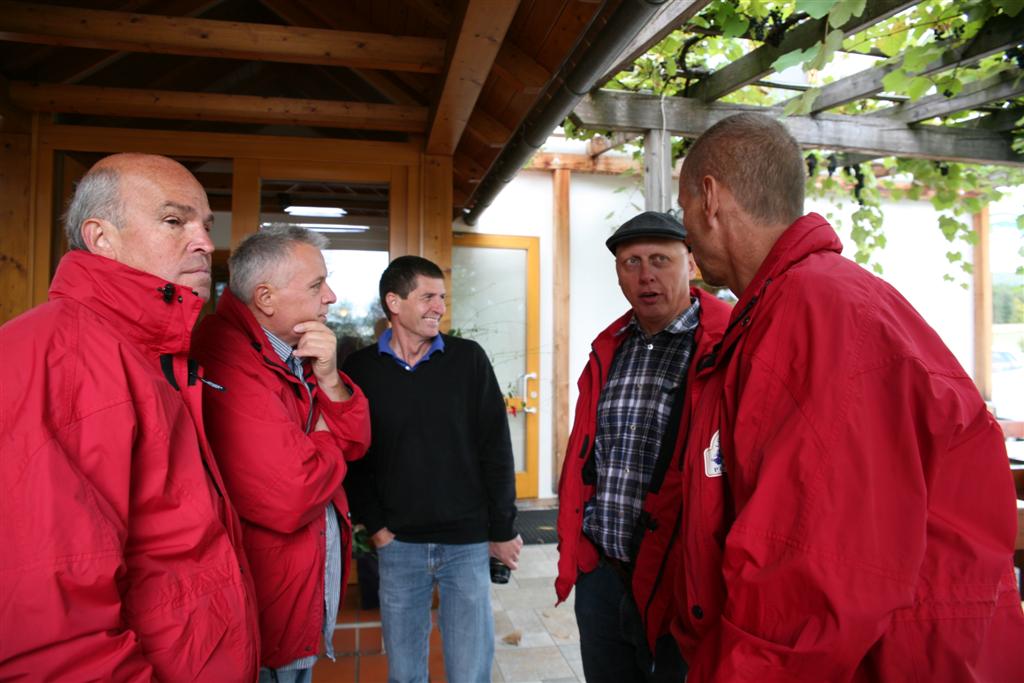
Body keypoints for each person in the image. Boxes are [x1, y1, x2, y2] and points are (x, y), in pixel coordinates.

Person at [672, 112, 1024, 681]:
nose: (684, 226)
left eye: (683, 205)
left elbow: (810, 576)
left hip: (898, 661)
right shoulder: (797, 304)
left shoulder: (817, 314)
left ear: (710, 198)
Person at [0, 153, 259, 681]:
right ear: (100, 238)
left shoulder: (152, 351)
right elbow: (50, 632)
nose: (206, 243)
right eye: (174, 220)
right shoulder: (59, 355)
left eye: (205, 225)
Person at [554, 212, 731, 682]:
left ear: (690, 263)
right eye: (630, 262)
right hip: (604, 574)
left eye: (660, 260)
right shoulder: (611, 346)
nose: (645, 275)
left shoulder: (726, 344)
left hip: (681, 579)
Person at [192, 226, 371, 682]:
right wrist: (327, 440)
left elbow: (357, 442)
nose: (330, 296)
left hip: (294, 593)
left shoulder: (291, 350)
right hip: (268, 605)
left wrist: (330, 381)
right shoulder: (228, 355)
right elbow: (291, 492)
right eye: (316, 285)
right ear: (266, 298)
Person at [342, 255, 522, 683]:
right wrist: (377, 526)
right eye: (427, 297)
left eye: (441, 297)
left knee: (470, 672)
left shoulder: (468, 360)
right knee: (404, 673)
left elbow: (495, 448)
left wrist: (502, 528)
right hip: (399, 545)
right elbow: (353, 455)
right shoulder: (361, 370)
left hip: (466, 545)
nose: (438, 307)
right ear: (394, 302)